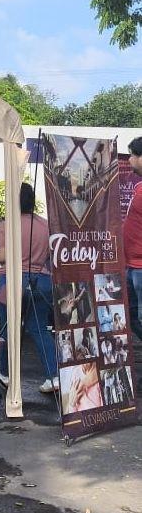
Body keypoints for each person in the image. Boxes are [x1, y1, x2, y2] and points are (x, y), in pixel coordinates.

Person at [0, 183, 58, 393]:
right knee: (39, 329)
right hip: (41, 280)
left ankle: (5, 374)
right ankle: (53, 377)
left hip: (12, 280)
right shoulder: (46, 225)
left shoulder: (7, 225)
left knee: (10, 329)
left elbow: (2, 256)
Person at [123, 138, 142, 360]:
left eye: (134, 155)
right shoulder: (138, 186)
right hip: (131, 266)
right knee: (130, 316)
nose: (129, 160)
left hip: (140, 268)